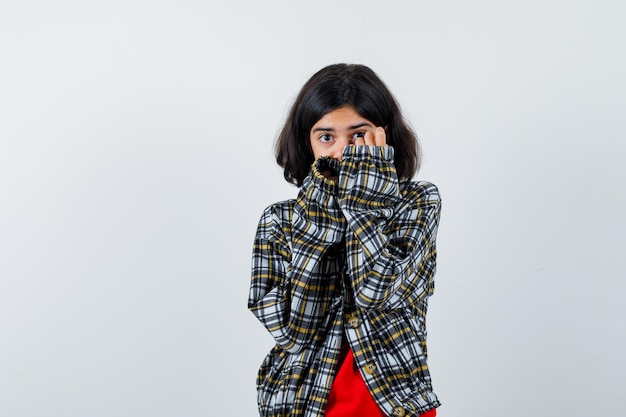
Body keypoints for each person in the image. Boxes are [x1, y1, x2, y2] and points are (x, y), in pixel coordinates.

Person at [248, 63, 441, 417]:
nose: (340, 151)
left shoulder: (417, 202)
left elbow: (375, 291)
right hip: (301, 403)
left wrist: (364, 202)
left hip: (392, 402)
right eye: (326, 137)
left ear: (384, 137)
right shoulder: (279, 220)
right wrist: (322, 215)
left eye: (357, 135)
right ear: (307, 143)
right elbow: (294, 333)